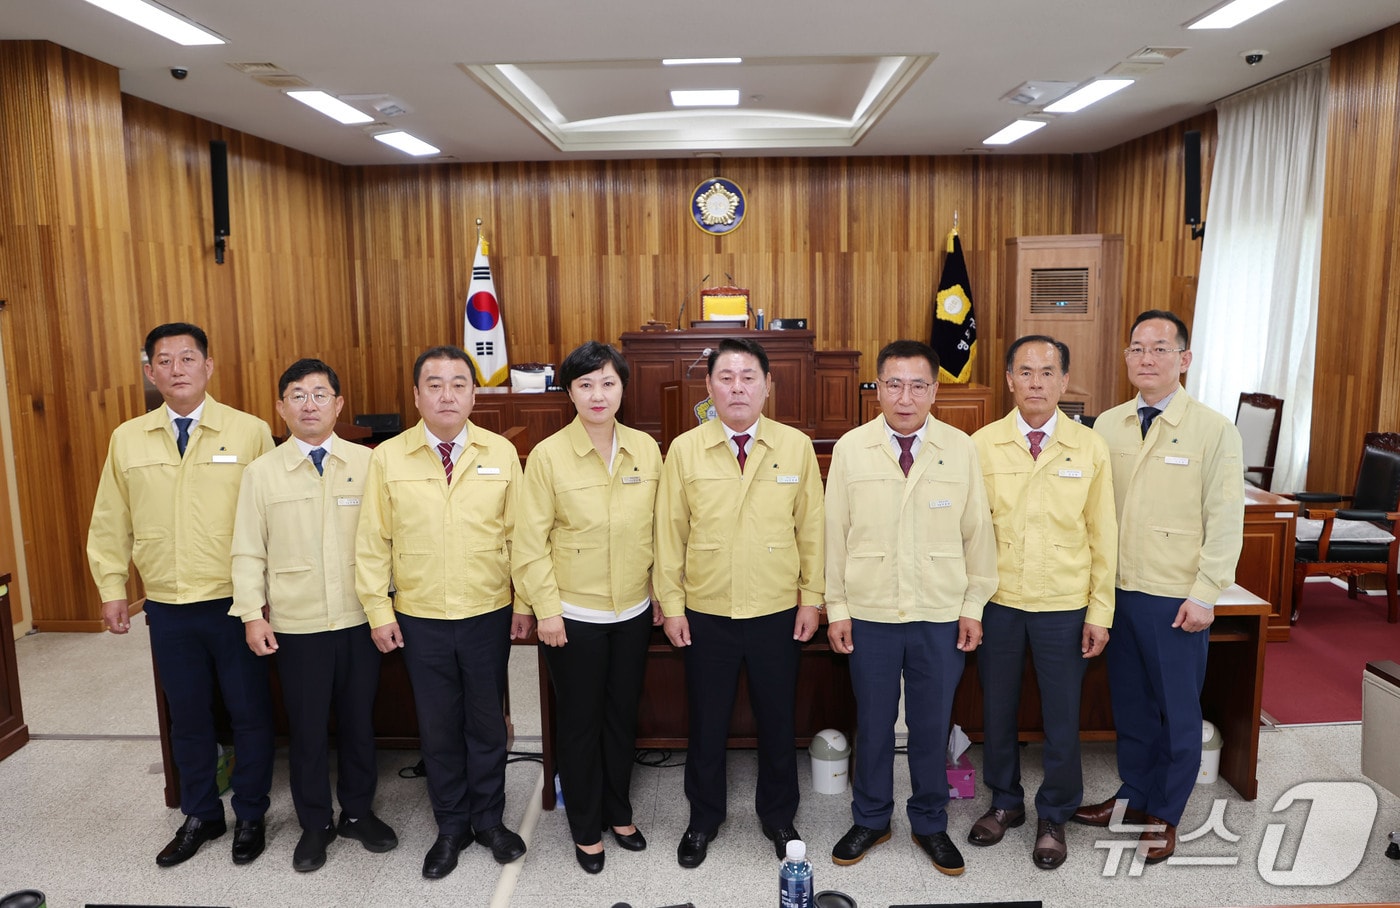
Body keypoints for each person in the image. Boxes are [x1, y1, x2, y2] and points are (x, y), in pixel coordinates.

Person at [87, 322, 276, 868]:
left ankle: (252, 813)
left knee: (249, 712)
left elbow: (272, 520)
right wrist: (112, 587)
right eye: (164, 361)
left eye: (187, 359)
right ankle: (201, 814)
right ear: (150, 372)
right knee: (187, 716)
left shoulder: (249, 431)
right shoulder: (128, 437)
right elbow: (110, 520)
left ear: (208, 366)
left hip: (236, 603)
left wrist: (265, 599)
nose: (177, 369)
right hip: (167, 604)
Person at [355, 345, 533, 880]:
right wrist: (378, 611)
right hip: (420, 613)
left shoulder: (500, 452)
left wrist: (523, 602)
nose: (447, 394)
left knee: (485, 724)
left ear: (474, 393)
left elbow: (519, 537)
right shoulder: (389, 457)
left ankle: (490, 822)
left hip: (486, 612)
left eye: (459, 383)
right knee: (437, 728)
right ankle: (451, 826)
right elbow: (371, 542)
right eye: (435, 384)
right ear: (416, 395)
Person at [1072, 310, 1244, 864]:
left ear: (1184, 360)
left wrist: (1206, 592)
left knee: (1176, 709)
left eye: (1160, 349)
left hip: (1176, 596)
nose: (1147, 358)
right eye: (1137, 348)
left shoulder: (1214, 429)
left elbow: (1225, 520)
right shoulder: (1107, 425)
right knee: (1132, 706)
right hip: (1119, 592)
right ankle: (1133, 795)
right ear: (1126, 358)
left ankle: (1165, 813)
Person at [824, 339, 997, 876]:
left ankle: (929, 823)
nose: (905, 397)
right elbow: (834, 534)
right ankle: (872, 818)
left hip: (940, 611)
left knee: (930, 724)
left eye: (918, 384)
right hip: (871, 610)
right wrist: (837, 608)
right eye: (893, 384)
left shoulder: (959, 447)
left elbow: (979, 536)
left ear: (935, 390)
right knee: (873, 724)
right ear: (877, 389)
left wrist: (973, 606)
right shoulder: (852, 448)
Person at [655, 337, 825, 869]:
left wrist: (812, 598)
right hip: (707, 609)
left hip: (777, 608)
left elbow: (813, 530)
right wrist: (672, 604)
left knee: (779, 720)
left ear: (768, 385)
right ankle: (703, 818)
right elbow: (668, 533)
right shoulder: (685, 449)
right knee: (706, 721)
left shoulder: (795, 446)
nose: (737, 387)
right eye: (725, 377)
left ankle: (778, 817)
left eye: (748, 376)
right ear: (708, 387)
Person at [229, 358, 397, 873]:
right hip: (297, 625)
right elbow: (246, 550)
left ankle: (358, 814)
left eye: (320, 394)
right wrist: (252, 614)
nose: (309, 404)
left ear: (338, 404)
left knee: (358, 724)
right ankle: (315, 825)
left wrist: (386, 607)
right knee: (304, 730)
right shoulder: (261, 473)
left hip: (358, 617)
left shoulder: (369, 464)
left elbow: (390, 542)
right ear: (280, 408)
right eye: (297, 395)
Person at [512, 341, 662, 875]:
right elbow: (529, 541)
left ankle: (619, 812)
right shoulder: (549, 455)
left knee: (622, 719)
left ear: (623, 387)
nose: (598, 394)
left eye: (608, 383)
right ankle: (584, 825)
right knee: (579, 723)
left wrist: (662, 594)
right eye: (585, 384)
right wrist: (546, 610)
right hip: (572, 616)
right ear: (569, 392)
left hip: (633, 611)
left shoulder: (646, 449)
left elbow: (658, 531)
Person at [968, 335, 1116, 870]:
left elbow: (1104, 535)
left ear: (1063, 381)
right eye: (1025, 372)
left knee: (1062, 716)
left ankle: (1055, 811)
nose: (1036, 382)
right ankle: (1005, 803)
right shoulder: (981, 445)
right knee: (997, 709)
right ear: (1009, 379)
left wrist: (1100, 611)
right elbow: (969, 533)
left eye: (1047, 372)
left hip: (1064, 602)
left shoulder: (1089, 446)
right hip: (999, 602)